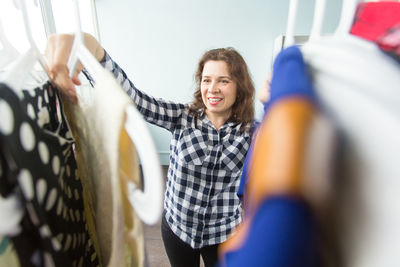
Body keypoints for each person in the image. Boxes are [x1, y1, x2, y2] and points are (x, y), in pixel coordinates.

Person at [45, 33, 257, 267]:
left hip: (224, 234)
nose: (212, 89)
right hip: (178, 230)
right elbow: (134, 100)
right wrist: (95, 51)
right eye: (206, 80)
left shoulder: (251, 132)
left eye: (223, 81)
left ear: (239, 86)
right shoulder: (182, 117)